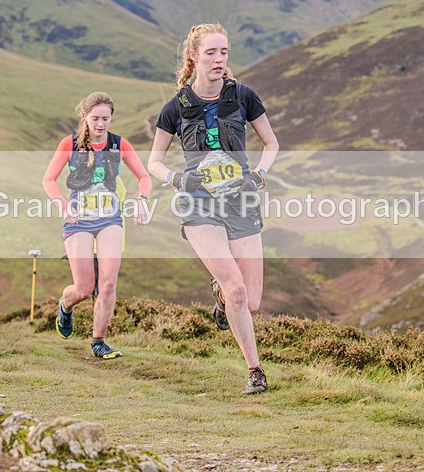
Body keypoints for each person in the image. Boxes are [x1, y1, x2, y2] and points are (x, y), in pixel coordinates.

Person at [147, 23, 279, 394]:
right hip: (199, 204)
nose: (219, 59)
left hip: (240, 200)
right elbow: (154, 162)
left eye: (224, 52)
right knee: (237, 289)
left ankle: (221, 301)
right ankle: (255, 370)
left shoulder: (244, 96)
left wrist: (259, 176)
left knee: (250, 301)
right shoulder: (175, 107)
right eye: (211, 53)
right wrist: (177, 179)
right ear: (193, 56)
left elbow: (271, 144)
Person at [43, 91, 151, 359]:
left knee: (108, 284)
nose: (100, 124)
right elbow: (48, 180)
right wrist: (63, 205)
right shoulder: (69, 144)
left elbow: (144, 176)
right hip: (78, 221)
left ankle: (99, 342)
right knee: (83, 289)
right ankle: (65, 306)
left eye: (105, 119)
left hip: (109, 219)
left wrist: (142, 199)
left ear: (111, 118)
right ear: (85, 117)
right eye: (95, 119)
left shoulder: (119, 144)